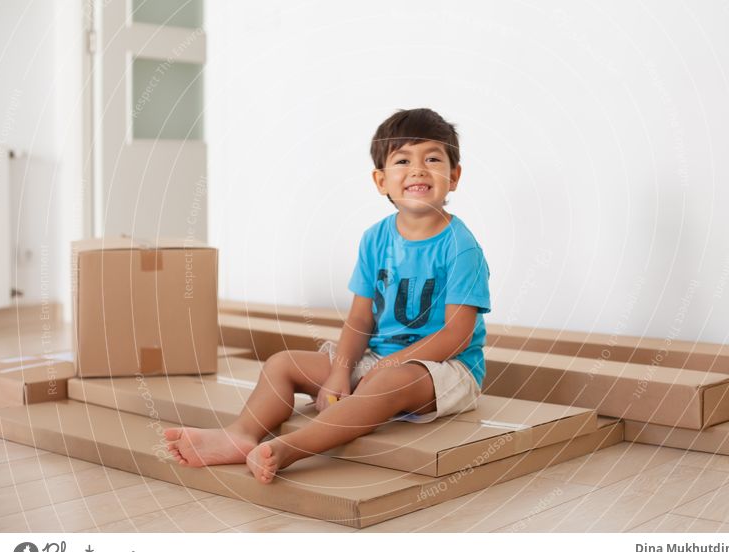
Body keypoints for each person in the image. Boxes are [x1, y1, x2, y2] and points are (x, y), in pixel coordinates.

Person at [164, 108, 491, 484]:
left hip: (445, 369)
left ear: (454, 176)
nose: (418, 169)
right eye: (403, 160)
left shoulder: (460, 247)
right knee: (282, 364)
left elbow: (455, 336)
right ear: (381, 180)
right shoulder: (375, 238)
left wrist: (381, 371)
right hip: (381, 360)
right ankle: (241, 434)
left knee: (388, 383)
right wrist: (340, 372)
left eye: (432, 158)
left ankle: (291, 448)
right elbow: (360, 319)